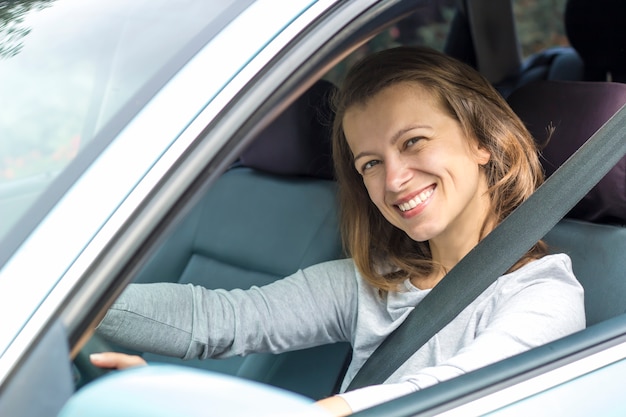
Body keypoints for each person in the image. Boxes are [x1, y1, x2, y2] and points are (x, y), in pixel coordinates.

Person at [90, 46, 585, 416]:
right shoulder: (372, 281)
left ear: (482, 140)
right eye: (370, 163)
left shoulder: (544, 295)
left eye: (413, 142)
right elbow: (218, 319)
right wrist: (68, 305)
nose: (393, 180)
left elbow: (446, 393)